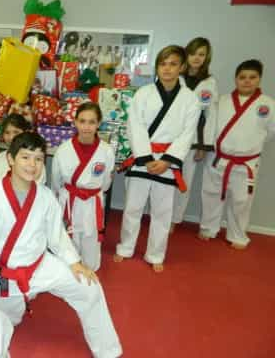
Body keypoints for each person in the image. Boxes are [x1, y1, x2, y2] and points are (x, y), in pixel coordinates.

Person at [0, 132, 122, 358]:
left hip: (39, 266)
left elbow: (57, 236)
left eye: (38, 159)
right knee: (3, 326)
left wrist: (75, 262)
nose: (32, 165)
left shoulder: (45, 196)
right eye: (25, 157)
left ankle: (108, 351)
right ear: (10, 159)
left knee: (89, 287)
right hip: (3, 277)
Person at [114, 45, 200, 272]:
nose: (167, 69)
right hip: (144, 157)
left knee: (162, 212)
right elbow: (134, 126)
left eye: (173, 64)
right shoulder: (143, 94)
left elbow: (187, 133)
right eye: (163, 64)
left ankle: (155, 254)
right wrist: (145, 157)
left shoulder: (191, 99)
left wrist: (167, 160)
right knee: (133, 207)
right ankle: (125, 247)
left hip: (168, 162)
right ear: (157, 67)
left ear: (182, 67)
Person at [199, 59, 275, 249]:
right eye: (242, 77)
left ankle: (238, 235)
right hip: (219, 158)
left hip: (246, 162)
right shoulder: (222, 101)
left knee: (242, 201)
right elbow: (212, 127)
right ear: (236, 79)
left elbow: (270, 132)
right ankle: (209, 227)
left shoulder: (268, 105)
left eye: (252, 77)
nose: (247, 81)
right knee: (211, 194)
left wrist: (250, 147)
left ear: (259, 79)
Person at [52, 102, 115, 271]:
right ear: (75, 122)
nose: (86, 127)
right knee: (67, 240)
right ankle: (67, 273)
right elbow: (56, 182)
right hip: (69, 200)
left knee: (91, 239)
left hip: (92, 202)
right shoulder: (63, 150)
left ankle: (90, 270)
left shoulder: (107, 151)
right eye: (82, 121)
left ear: (99, 123)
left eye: (92, 122)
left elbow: (106, 183)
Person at [172, 38, 219, 232]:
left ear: (207, 57)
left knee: (185, 182)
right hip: (170, 138)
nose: (197, 58)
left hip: (193, 140)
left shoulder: (209, 82)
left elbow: (211, 114)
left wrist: (204, 145)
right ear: (186, 54)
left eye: (201, 54)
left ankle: (175, 220)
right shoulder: (174, 77)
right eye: (193, 53)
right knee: (166, 180)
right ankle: (162, 215)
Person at [0, 113, 46, 184]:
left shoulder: (36, 161)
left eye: (16, 132)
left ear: (25, 132)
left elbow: (38, 188)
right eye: (7, 132)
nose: (11, 137)